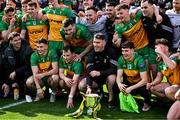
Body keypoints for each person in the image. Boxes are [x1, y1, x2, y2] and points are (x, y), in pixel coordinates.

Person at [78, 33, 117, 109]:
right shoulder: (91, 54)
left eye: (98, 42)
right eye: (94, 42)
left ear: (104, 42)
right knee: (82, 85)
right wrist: (89, 86)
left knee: (112, 78)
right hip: (95, 78)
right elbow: (90, 72)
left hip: (107, 77)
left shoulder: (111, 51)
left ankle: (111, 101)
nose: (95, 45)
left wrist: (100, 73)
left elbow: (114, 69)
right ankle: (97, 95)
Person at [140, 0, 173, 78]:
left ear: (152, 7)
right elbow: (137, 9)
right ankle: (153, 87)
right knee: (154, 70)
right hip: (152, 48)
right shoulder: (143, 17)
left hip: (164, 47)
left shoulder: (162, 17)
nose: (143, 10)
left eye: (145, 7)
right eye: (142, 8)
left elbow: (169, 35)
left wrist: (164, 50)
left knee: (169, 71)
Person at [116, 40, 151, 111]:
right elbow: (118, 76)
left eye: (126, 51)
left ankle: (147, 103)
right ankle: (117, 101)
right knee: (115, 86)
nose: (124, 53)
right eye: (122, 51)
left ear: (132, 50)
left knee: (145, 88)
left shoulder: (139, 60)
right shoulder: (121, 59)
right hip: (129, 82)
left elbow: (145, 80)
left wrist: (131, 88)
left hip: (139, 83)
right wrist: (119, 83)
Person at [3, 32, 32, 100]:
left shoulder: (27, 49)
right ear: (11, 42)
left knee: (22, 93)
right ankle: (12, 88)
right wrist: (8, 82)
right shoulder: (7, 51)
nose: (18, 42)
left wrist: (16, 72)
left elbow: (28, 66)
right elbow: (6, 68)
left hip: (25, 74)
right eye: (15, 40)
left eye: (19, 39)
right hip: (13, 76)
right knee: (3, 93)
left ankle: (27, 91)